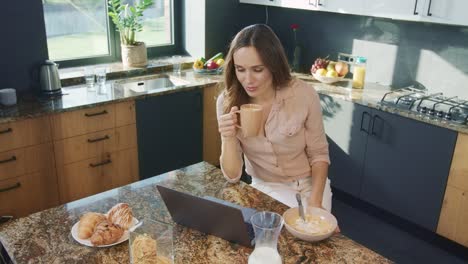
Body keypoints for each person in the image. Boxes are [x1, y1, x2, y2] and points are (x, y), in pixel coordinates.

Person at [216, 24, 333, 212]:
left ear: (273, 65)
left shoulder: (303, 94)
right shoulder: (227, 102)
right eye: (240, 69)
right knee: (271, 235)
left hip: (309, 184)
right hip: (266, 185)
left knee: (311, 233)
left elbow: (319, 154)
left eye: (257, 69)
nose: (248, 79)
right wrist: (227, 137)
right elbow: (232, 176)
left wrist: (315, 203)